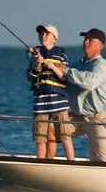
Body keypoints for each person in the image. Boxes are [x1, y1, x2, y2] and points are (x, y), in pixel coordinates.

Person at [45, 28, 106, 162]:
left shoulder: (102, 65)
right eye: (85, 38)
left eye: (90, 39)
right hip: (77, 116)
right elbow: (62, 78)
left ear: (100, 45)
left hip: (99, 119)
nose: (86, 42)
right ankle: (46, 165)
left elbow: (89, 82)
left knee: (102, 162)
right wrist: (43, 66)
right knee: (49, 129)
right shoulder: (76, 65)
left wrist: (65, 70)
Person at [26, 24, 75, 160]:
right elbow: (31, 76)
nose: (43, 36)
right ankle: (40, 162)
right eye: (41, 34)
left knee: (65, 135)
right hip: (40, 100)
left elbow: (64, 76)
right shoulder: (35, 54)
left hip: (59, 100)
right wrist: (38, 63)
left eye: (47, 34)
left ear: (55, 38)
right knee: (40, 137)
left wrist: (51, 65)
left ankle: (71, 162)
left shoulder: (61, 55)